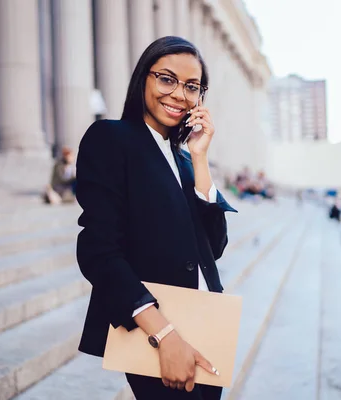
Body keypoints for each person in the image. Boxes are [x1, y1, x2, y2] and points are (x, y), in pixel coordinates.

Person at [75, 36, 236, 400]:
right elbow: (98, 251)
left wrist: (199, 158)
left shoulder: (183, 157)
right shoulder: (111, 138)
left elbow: (215, 247)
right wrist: (164, 335)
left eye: (192, 87)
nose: (179, 94)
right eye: (167, 79)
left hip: (205, 325)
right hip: (156, 328)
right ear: (143, 80)